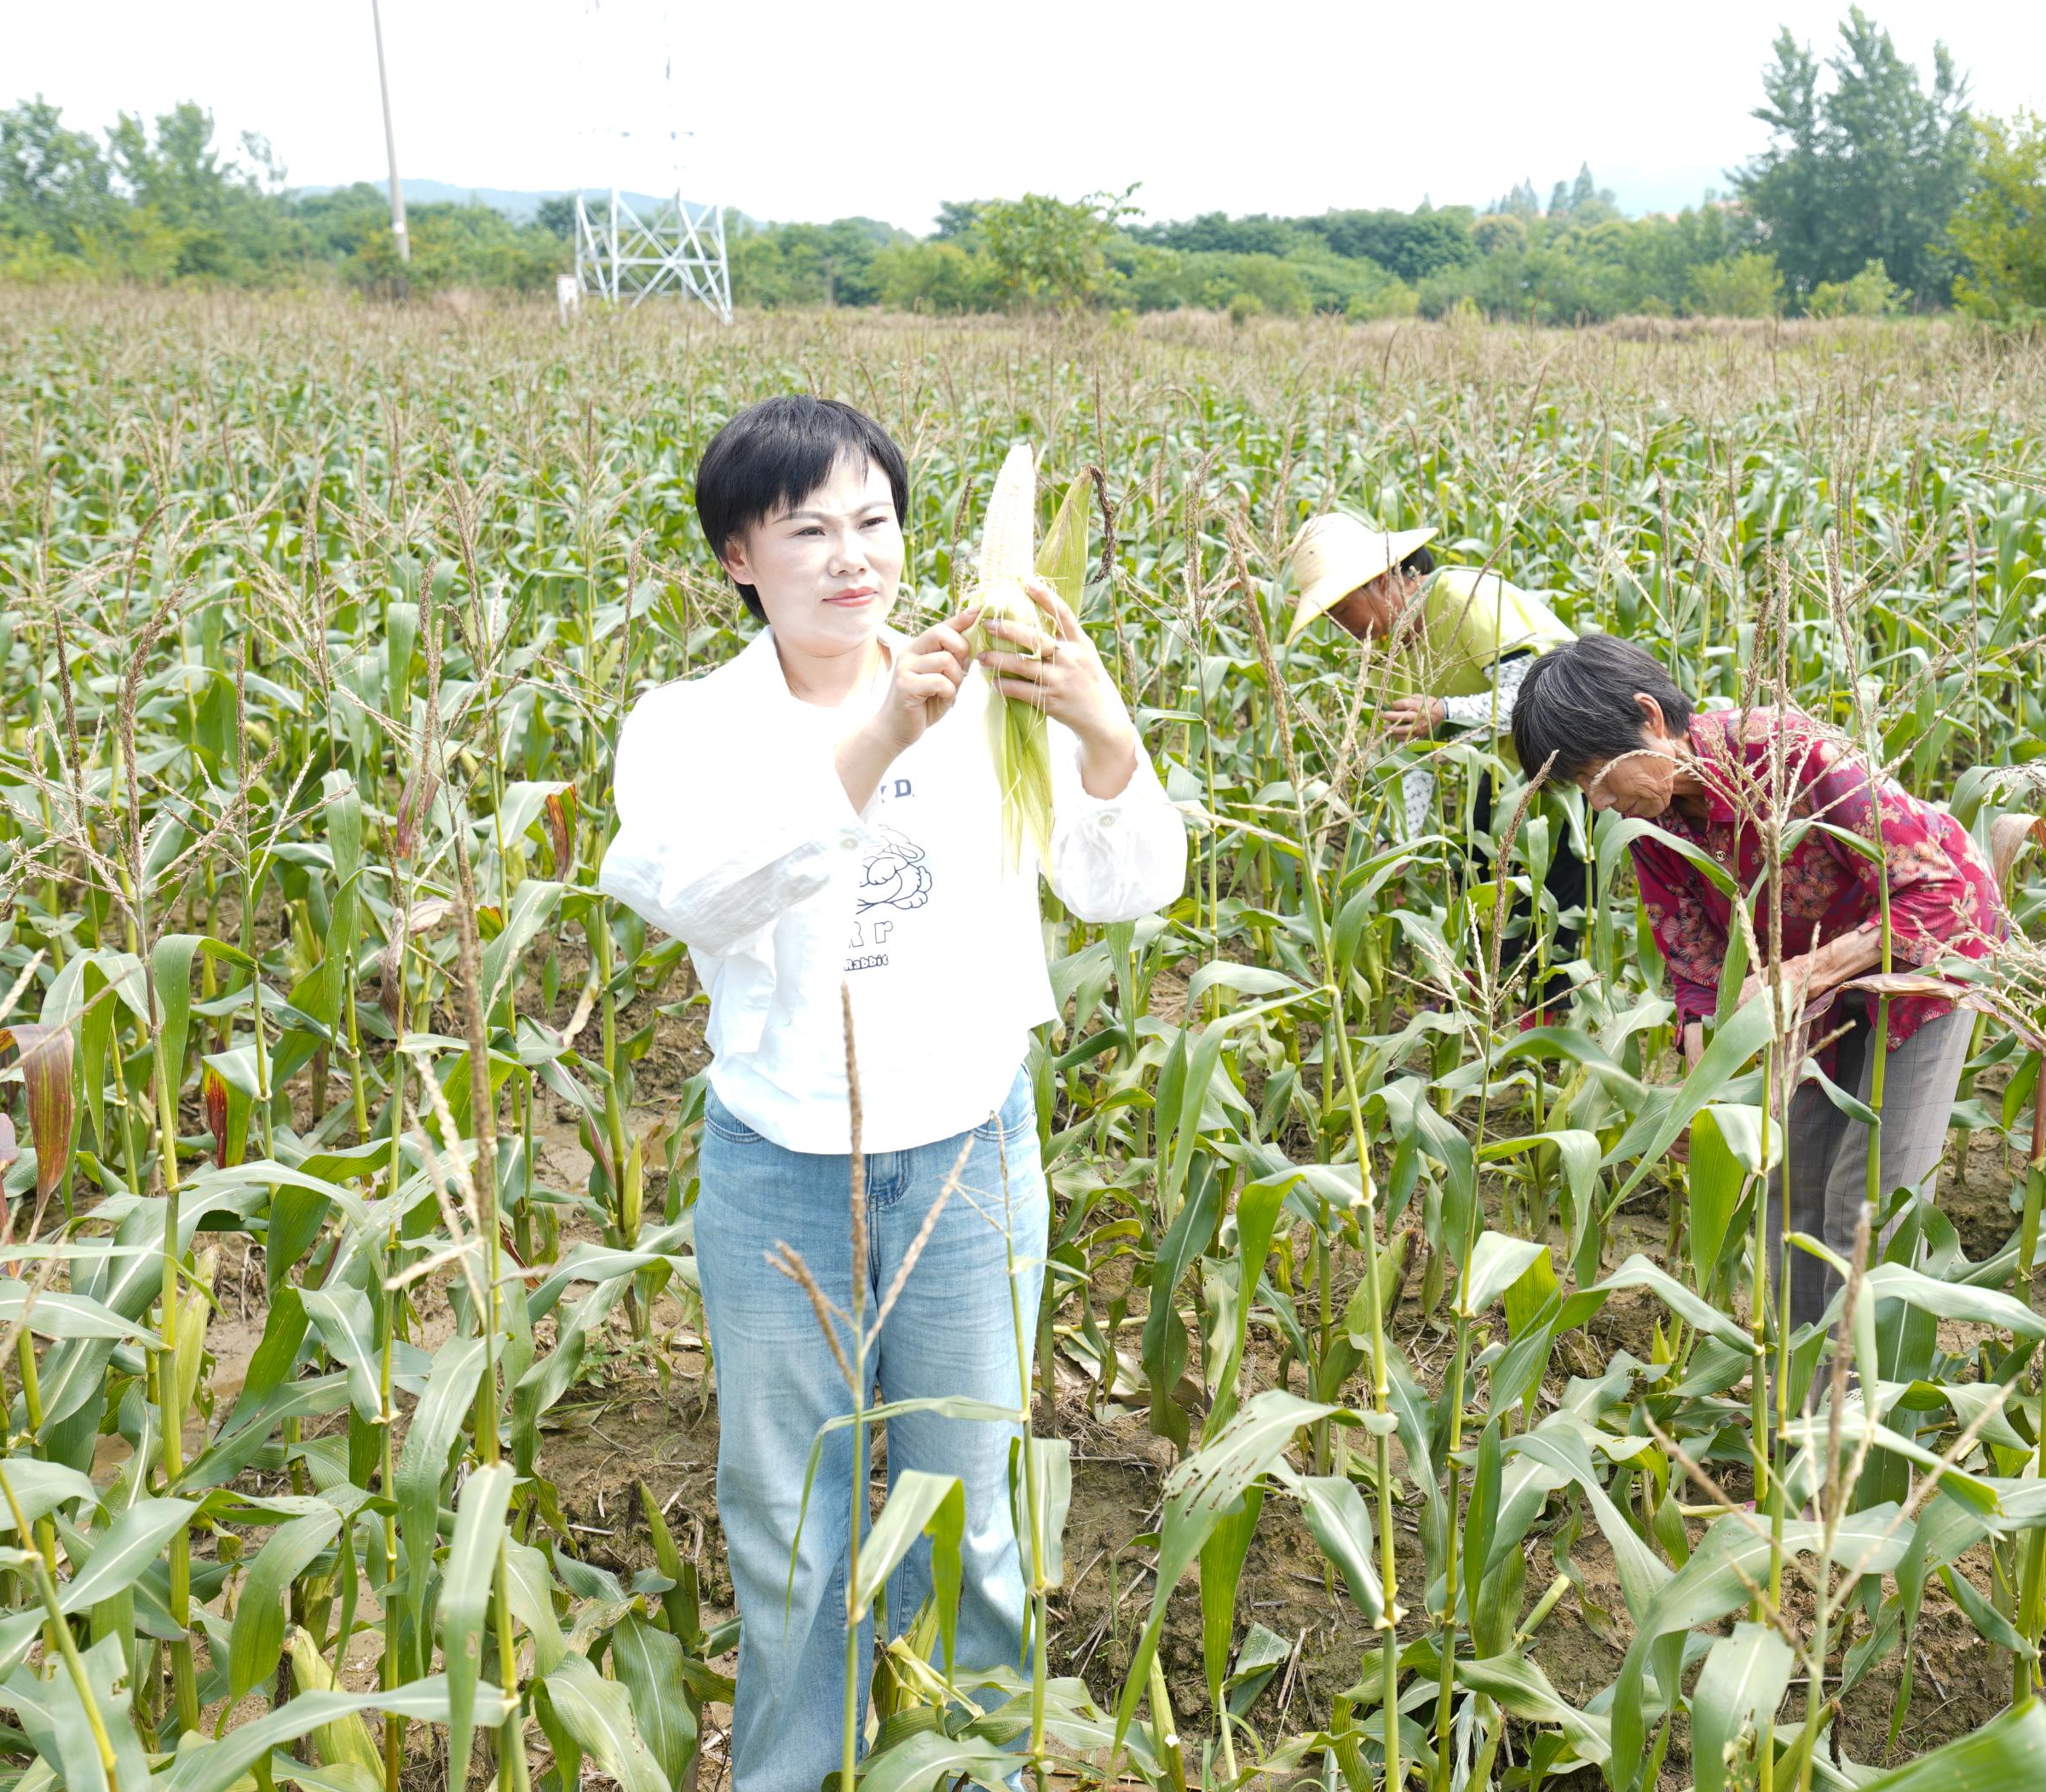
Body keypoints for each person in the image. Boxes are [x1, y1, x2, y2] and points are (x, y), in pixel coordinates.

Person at [597, 395, 1185, 1792]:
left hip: (969, 1153)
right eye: (809, 529)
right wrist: (876, 738)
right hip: (782, 1167)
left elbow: (1125, 881)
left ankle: (963, 1763)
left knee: (964, 1513)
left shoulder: (990, 688)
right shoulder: (693, 726)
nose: (852, 556)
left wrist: (1104, 728)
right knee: (789, 1521)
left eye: (874, 521)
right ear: (741, 554)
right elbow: (691, 894)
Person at [1510, 634, 2004, 1331]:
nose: (1598, 805)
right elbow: (1696, 971)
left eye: (1597, 777)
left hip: (1926, 962)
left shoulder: (1788, 756)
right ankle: (1803, 1404)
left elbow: (1942, 892)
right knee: (1788, 1194)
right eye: (1580, 791)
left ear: (1650, 718)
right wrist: (1701, 1098)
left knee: (1864, 1206)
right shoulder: (1651, 827)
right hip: (1803, 988)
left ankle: (1860, 1411)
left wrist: (1803, 973)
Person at [1282, 510, 1587, 1014]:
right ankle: (1479, 994)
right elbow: (1416, 760)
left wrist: (1445, 710)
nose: (1342, 629)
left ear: (1377, 583)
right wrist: (1395, 845)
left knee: (1558, 893)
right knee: (1477, 874)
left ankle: (1546, 1018)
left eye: (1339, 612)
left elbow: (1542, 696)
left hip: (1573, 766)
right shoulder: (1394, 648)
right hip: (1506, 777)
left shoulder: (1466, 598)